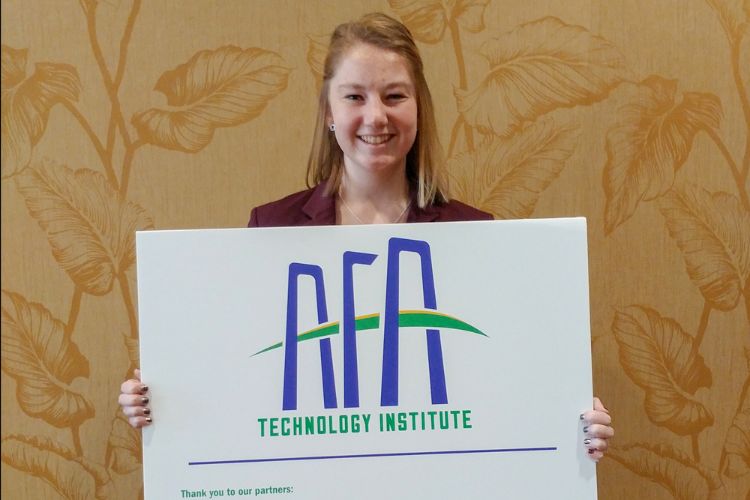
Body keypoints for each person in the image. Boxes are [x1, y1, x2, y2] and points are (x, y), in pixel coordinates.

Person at [118, 12, 614, 461]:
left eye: (394, 95)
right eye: (355, 96)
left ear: (418, 108)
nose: (375, 116)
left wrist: (572, 427)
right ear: (330, 111)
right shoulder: (271, 231)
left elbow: (505, 385)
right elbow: (238, 378)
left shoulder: (475, 236)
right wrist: (160, 400)